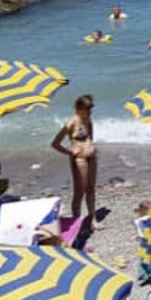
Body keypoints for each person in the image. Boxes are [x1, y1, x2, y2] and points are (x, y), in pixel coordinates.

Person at [51, 94, 98, 225]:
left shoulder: (88, 121)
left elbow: (90, 139)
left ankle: (93, 218)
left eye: (91, 109)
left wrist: (90, 148)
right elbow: (55, 143)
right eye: (87, 109)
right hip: (79, 160)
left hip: (92, 157)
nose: (90, 112)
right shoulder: (71, 123)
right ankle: (77, 222)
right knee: (79, 191)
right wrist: (69, 152)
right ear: (79, 108)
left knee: (91, 189)